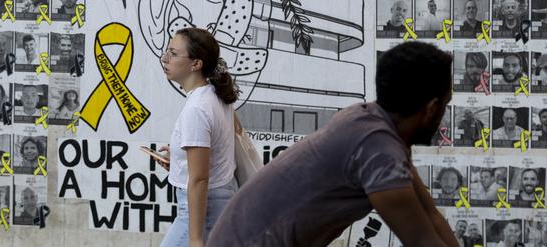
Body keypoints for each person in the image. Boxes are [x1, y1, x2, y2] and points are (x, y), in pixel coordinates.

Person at [207, 42, 458, 246]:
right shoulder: (377, 149)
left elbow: (431, 217)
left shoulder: (370, 122)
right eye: (445, 105)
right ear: (431, 108)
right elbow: (422, 240)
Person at [156, 28, 240, 247]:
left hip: (203, 207)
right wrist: (178, 160)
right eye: (167, 51)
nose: (165, 58)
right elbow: (220, 147)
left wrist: (195, 240)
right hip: (218, 199)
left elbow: (200, 179)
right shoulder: (215, 95)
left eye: (174, 54)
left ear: (196, 64)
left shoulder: (197, 108)